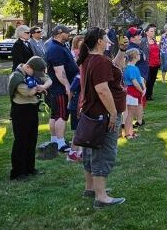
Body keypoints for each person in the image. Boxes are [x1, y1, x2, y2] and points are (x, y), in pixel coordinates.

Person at [76, 27, 126, 207]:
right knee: (103, 153)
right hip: (102, 115)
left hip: (92, 113)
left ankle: (92, 188)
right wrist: (113, 113)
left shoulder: (91, 59)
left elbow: (115, 68)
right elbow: (103, 90)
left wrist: (122, 51)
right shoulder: (98, 61)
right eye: (106, 38)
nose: (108, 40)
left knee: (90, 151)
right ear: (99, 41)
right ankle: (101, 197)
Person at [7, 55, 50, 180]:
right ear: (28, 66)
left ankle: (30, 168)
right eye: (34, 72)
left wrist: (41, 86)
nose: (36, 75)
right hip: (20, 111)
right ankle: (18, 172)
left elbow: (48, 80)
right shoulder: (16, 76)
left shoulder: (31, 73)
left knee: (32, 140)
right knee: (21, 142)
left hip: (32, 109)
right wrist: (40, 88)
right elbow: (28, 92)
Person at [44, 24, 77, 154]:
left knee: (55, 114)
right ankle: (61, 143)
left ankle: (55, 140)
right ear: (59, 33)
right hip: (59, 88)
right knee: (61, 116)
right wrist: (67, 87)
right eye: (66, 32)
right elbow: (59, 71)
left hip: (57, 87)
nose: (69, 34)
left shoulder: (60, 46)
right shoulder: (55, 48)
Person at [122, 49, 146, 140]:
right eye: (138, 54)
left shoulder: (134, 67)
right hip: (132, 92)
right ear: (135, 56)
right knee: (130, 114)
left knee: (131, 114)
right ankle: (128, 134)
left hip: (134, 91)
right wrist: (141, 90)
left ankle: (130, 132)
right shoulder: (131, 68)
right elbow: (134, 82)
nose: (140, 55)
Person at [141, 24, 160, 100]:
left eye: (154, 31)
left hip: (155, 63)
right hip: (147, 64)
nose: (153, 33)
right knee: (147, 80)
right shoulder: (143, 41)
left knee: (152, 80)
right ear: (147, 32)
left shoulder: (154, 40)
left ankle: (150, 94)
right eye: (151, 31)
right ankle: (145, 95)